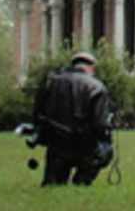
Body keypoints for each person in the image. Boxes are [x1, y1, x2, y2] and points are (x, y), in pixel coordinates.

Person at [32, 50, 115, 186]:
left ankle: (55, 180)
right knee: (105, 151)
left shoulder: (51, 82)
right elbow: (100, 124)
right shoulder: (97, 87)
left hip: (55, 144)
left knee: (53, 183)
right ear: (91, 67)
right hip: (84, 145)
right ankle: (82, 179)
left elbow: (37, 113)